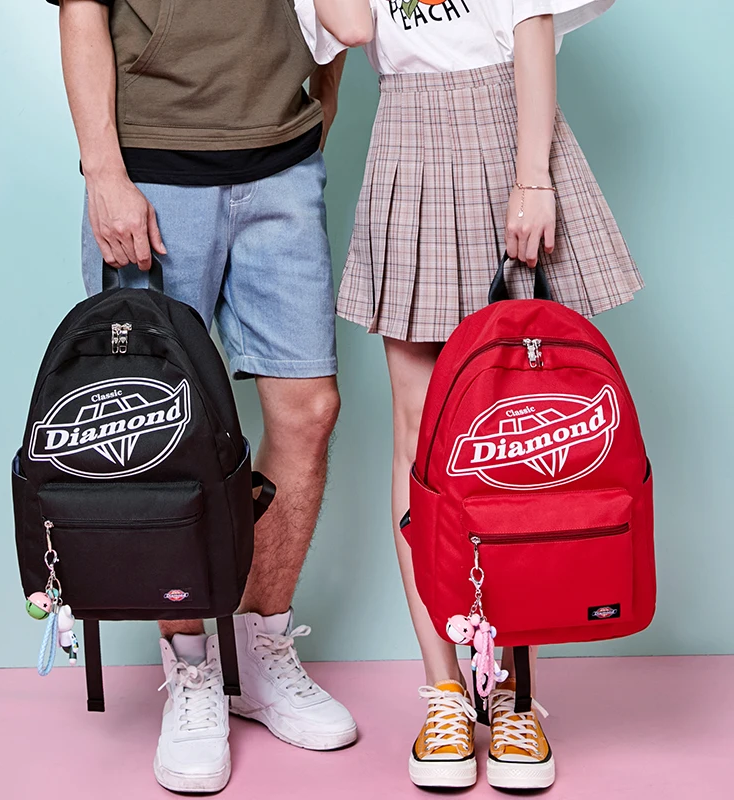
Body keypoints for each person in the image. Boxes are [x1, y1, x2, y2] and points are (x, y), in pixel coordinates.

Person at [297, 0, 642, 791]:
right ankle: (445, 692)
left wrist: (533, 177)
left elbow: (532, 25)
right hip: (408, 138)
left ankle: (514, 695)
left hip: (504, 129)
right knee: (418, 440)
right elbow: (352, 28)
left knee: (514, 437)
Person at [47, 0, 357, 793]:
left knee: (309, 411)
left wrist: (314, 116)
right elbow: (81, 12)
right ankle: (190, 668)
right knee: (158, 434)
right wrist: (104, 173)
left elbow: (339, 20)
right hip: (154, 170)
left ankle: (262, 651)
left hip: (282, 164)